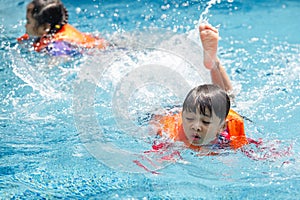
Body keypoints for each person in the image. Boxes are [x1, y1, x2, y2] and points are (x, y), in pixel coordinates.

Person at [151, 23, 248, 153]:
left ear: (222, 127)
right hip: (170, 111)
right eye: (190, 120)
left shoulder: (231, 131)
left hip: (211, 114)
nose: (196, 127)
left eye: (206, 122)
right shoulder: (172, 135)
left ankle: (213, 62)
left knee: (228, 100)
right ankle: (213, 63)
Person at [17, 0, 109, 56]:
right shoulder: (51, 31)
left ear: (45, 27)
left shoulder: (58, 46)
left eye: (28, 21)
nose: (25, 25)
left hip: (102, 52)